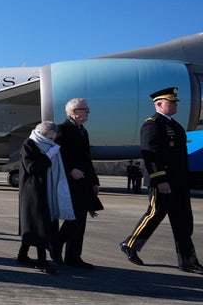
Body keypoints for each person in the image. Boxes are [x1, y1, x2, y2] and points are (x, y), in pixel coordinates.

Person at [120, 87, 203, 274]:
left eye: (175, 102)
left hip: (179, 181)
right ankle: (129, 244)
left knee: (184, 222)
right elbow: (151, 156)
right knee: (154, 214)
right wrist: (160, 179)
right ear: (159, 104)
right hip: (163, 181)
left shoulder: (174, 124)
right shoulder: (152, 124)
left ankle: (188, 261)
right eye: (171, 102)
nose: (175, 105)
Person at [50, 98, 103, 269]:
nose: (88, 112)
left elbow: (87, 159)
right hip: (69, 182)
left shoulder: (82, 131)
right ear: (73, 112)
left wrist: (94, 181)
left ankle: (73, 256)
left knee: (80, 221)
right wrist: (70, 170)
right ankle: (56, 244)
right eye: (84, 109)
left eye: (88, 109)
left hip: (84, 181)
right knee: (75, 218)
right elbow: (55, 155)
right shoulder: (62, 130)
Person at [17, 121, 75, 274]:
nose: (54, 139)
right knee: (40, 225)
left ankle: (22, 255)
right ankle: (41, 261)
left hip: (44, 190)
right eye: (53, 135)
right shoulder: (30, 144)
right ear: (47, 134)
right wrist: (49, 155)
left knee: (34, 225)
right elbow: (32, 168)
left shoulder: (48, 145)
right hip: (33, 191)